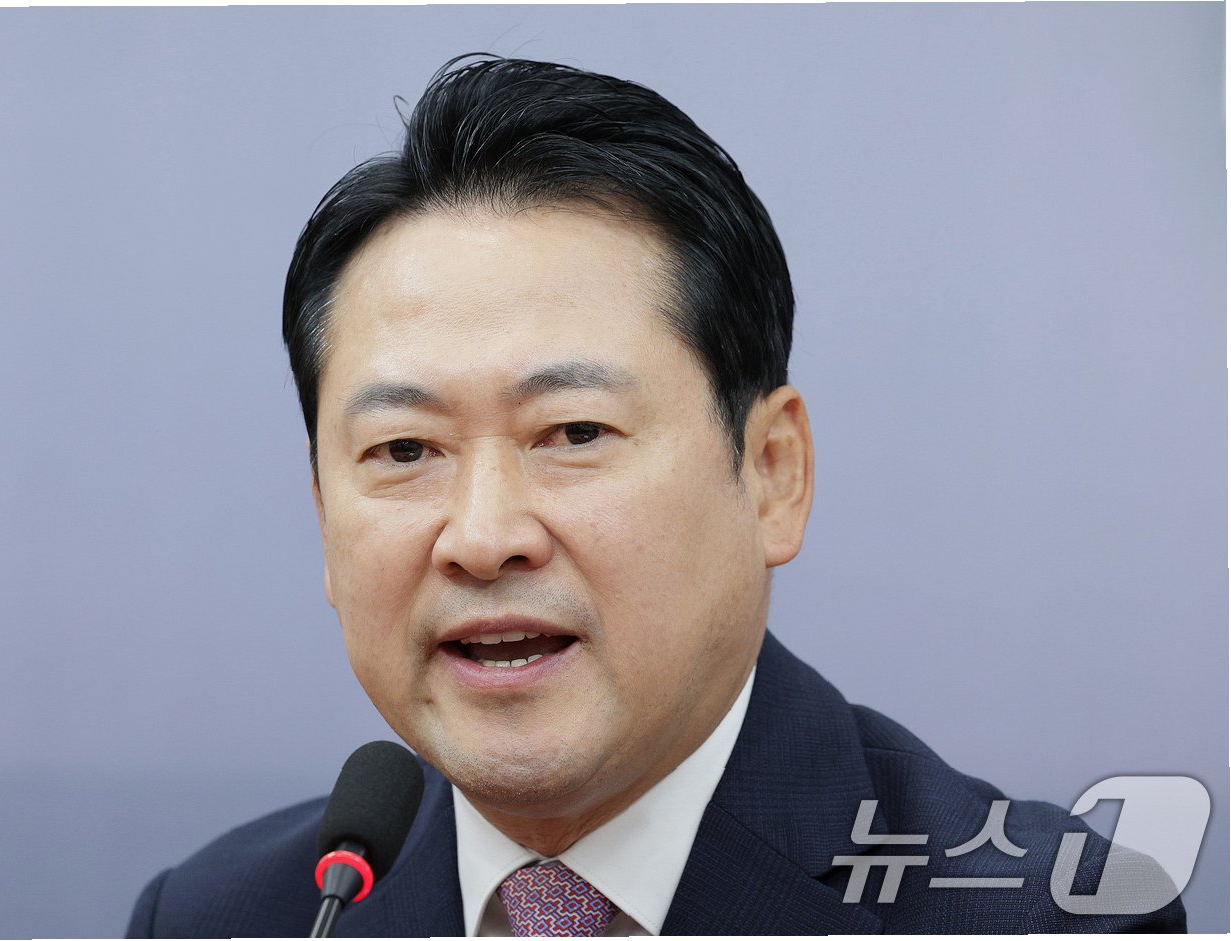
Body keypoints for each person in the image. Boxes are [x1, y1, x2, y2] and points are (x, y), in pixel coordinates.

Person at [126, 56, 1185, 936]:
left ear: (772, 473)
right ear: (323, 516)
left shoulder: (1041, 913)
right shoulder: (226, 916)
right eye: (405, 448)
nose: (483, 537)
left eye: (573, 433)